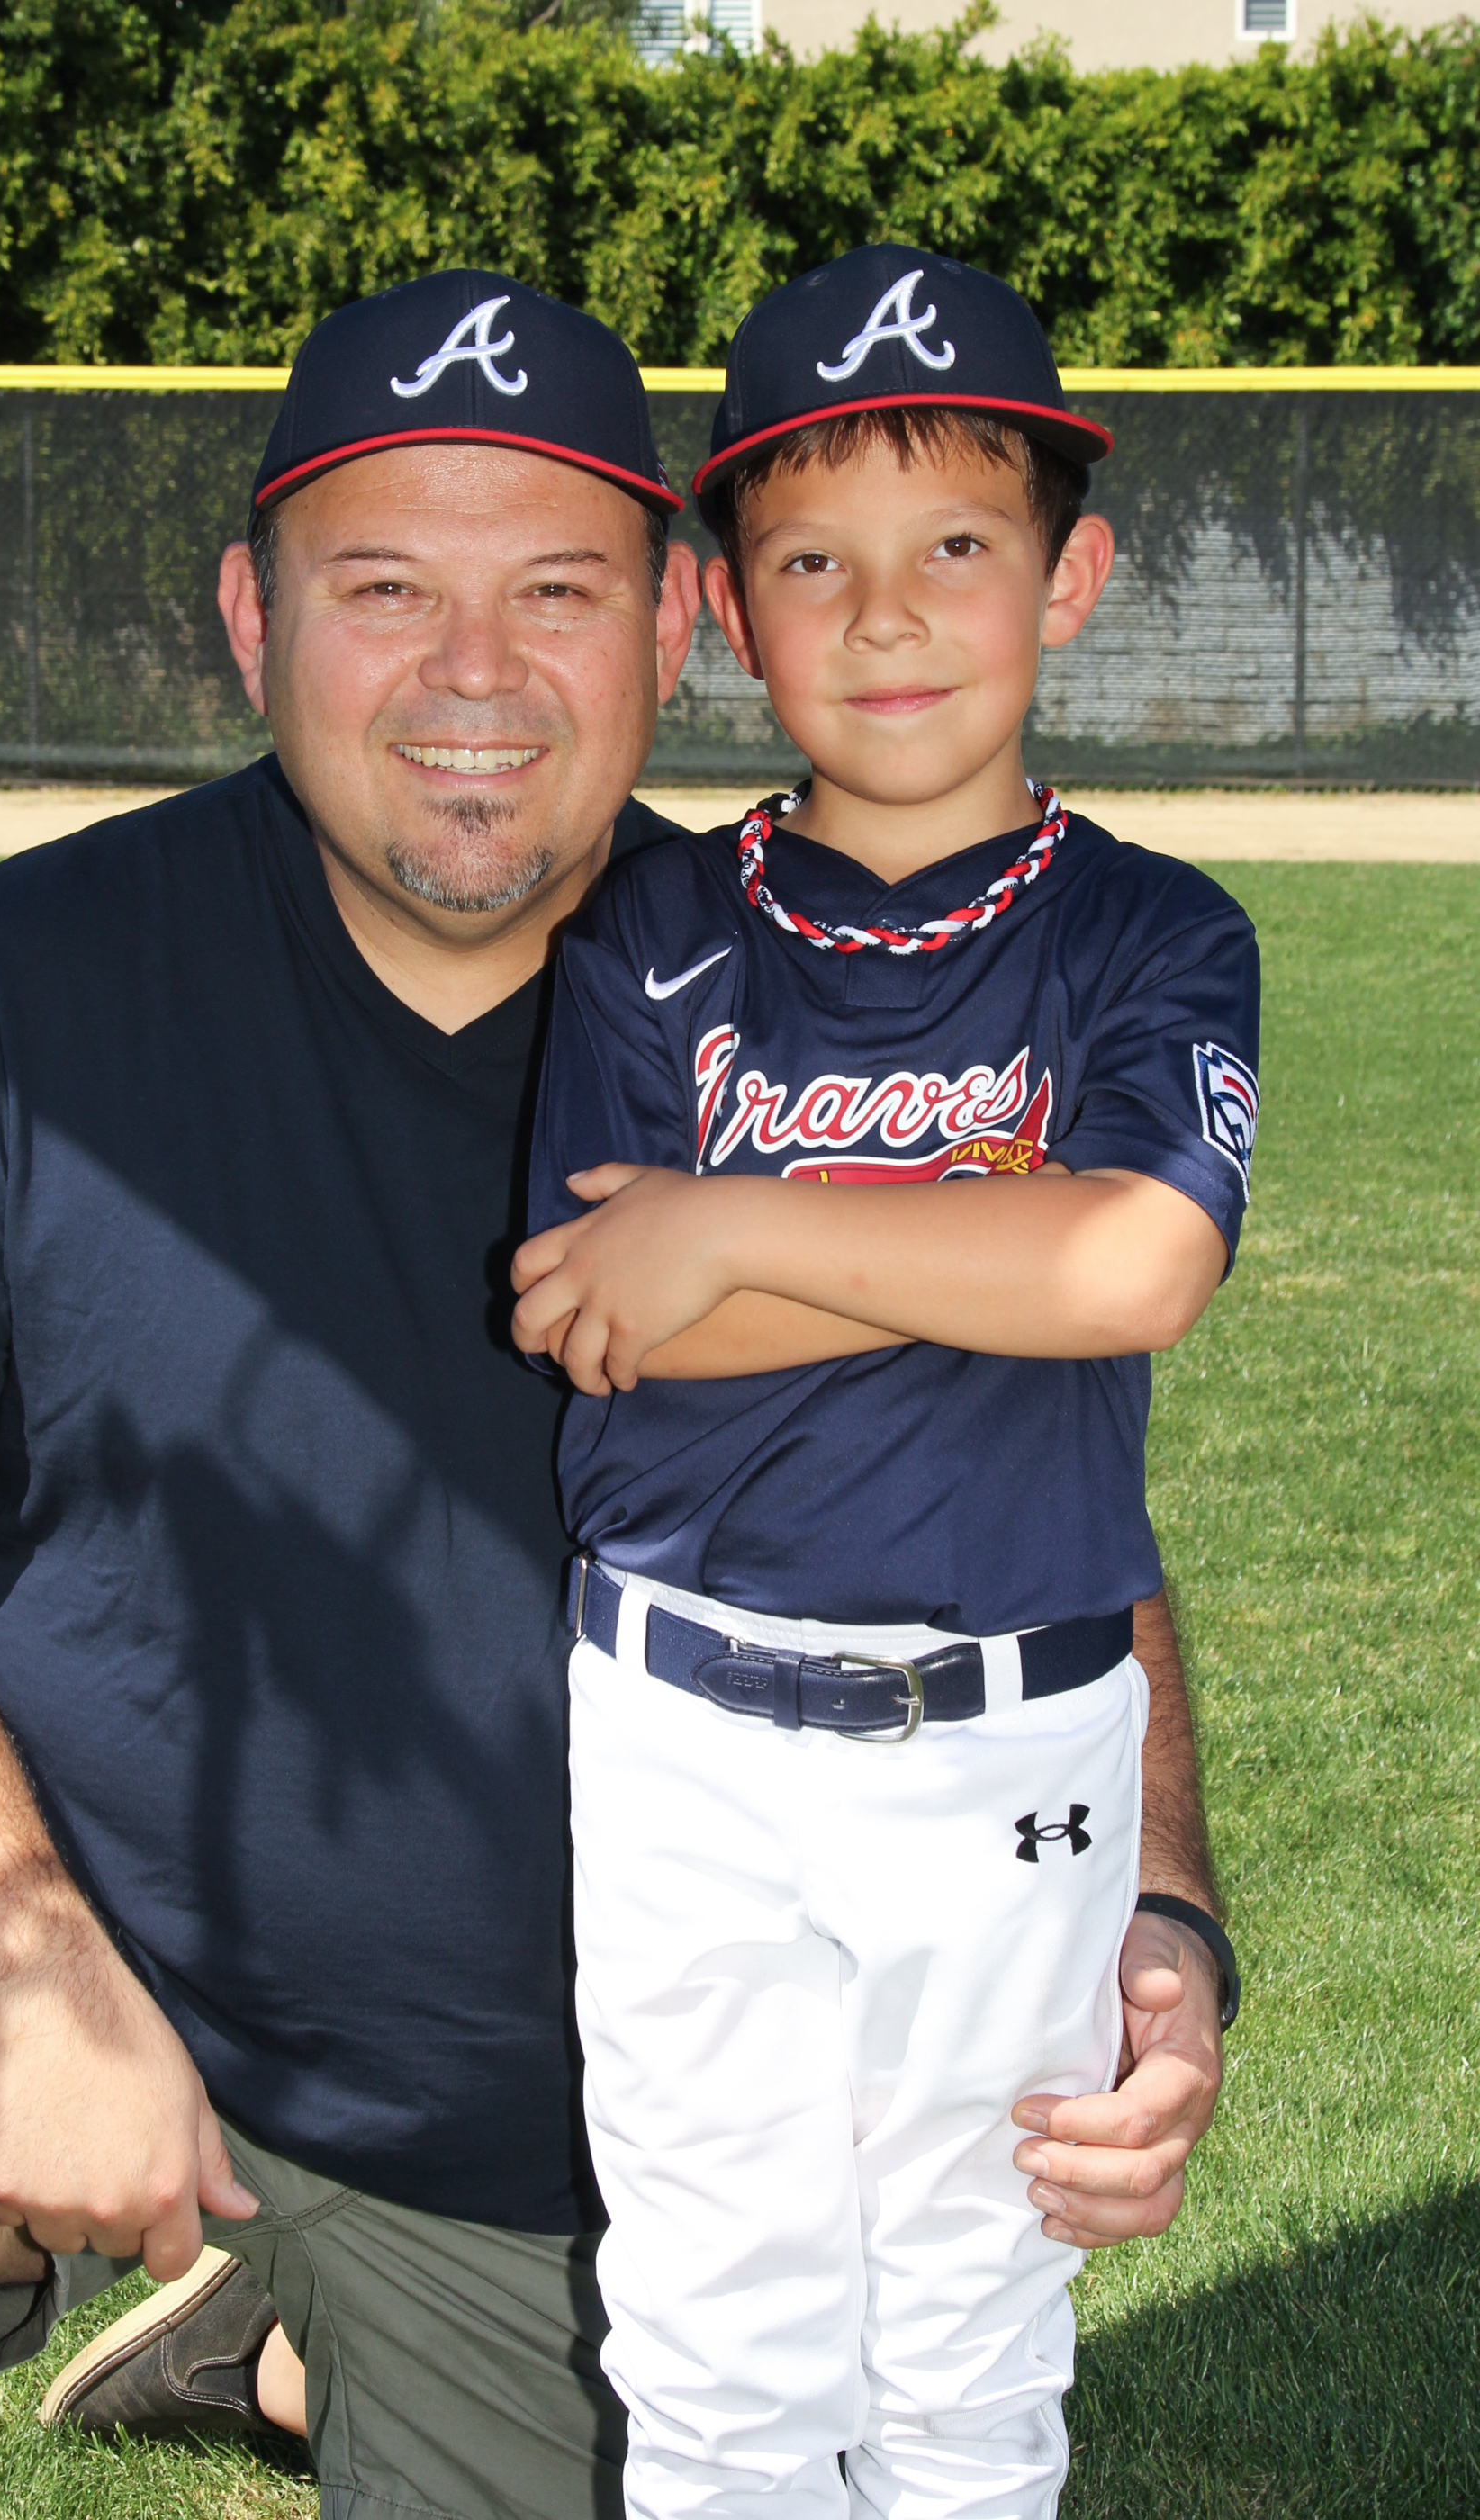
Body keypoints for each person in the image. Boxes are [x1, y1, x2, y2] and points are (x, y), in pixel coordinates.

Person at [0, 269, 1223, 2520]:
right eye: (384, 586)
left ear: (676, 623)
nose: (473, 672)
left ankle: (293, 2339)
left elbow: (1042, 1500)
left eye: (557, 590)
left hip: (560, 2118)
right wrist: (23, 1958)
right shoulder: (36, 970)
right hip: (62, 1913)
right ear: (253, 616)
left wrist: (1155, 1914)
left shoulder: (813, 992)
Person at [510, 245, 1254, 2520]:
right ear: (730, 613)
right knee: (716, 2352)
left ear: (1071, 578)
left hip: (1011, 1733)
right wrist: (986, 1231)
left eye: (956, 545)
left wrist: (736, 1218)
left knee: (962, 2347)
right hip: (685, 1734)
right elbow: (612, 1314)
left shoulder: (1150, 928)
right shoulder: (651, 933)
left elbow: (1135, 1259)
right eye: (813, 560)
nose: (889, 613)